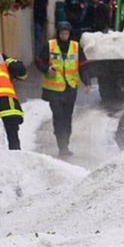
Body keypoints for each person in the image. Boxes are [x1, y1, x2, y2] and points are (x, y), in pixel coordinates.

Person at [40, 21, 85, 157]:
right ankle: (62, 146)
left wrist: (87, 82)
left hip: (70, 89)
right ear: (58, 34)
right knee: (58, 118)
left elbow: (83, 65)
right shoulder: (50, 45)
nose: (64, 36)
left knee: (67, 119)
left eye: (67, 33)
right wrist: (47, 69)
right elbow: (39, 61)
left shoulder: (76, 47)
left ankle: (66, 143)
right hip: (54, 90)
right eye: (62, 33)